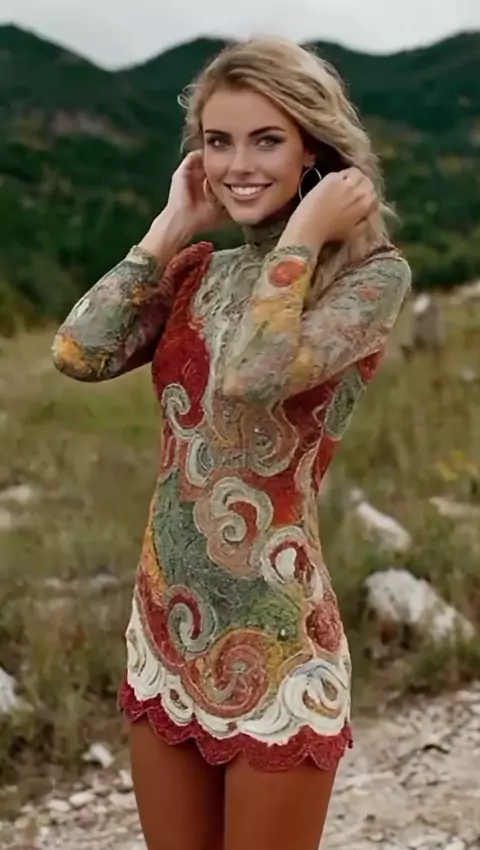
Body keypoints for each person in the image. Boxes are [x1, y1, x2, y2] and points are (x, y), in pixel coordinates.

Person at [52, 36, 411, 850]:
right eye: (219, 142)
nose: (239, 165)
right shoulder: (198, 270)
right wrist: (170, 226)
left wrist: (304, 231)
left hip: (279, 648)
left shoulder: (370, 280)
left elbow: (253, 374)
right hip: (163, 633)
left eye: (267, 140)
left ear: (314, 147)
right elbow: (78, 352)